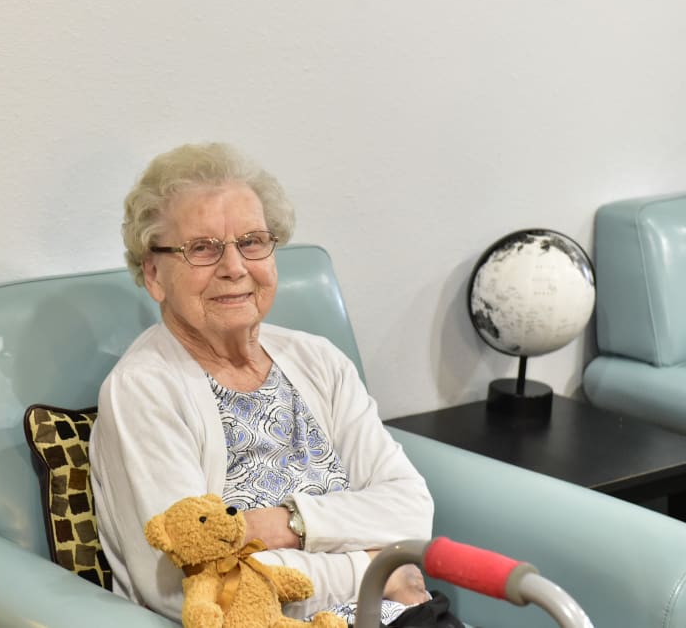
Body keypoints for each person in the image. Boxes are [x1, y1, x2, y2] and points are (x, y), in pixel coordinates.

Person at [89, 142, 435, 625]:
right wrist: (374, 567)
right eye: (202, 249)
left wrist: (288, 524)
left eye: (252, 241)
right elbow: (184, 582)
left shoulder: (318, 359)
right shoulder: (144, 389)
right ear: (154, 273)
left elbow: (411, 510)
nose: (234, 268)